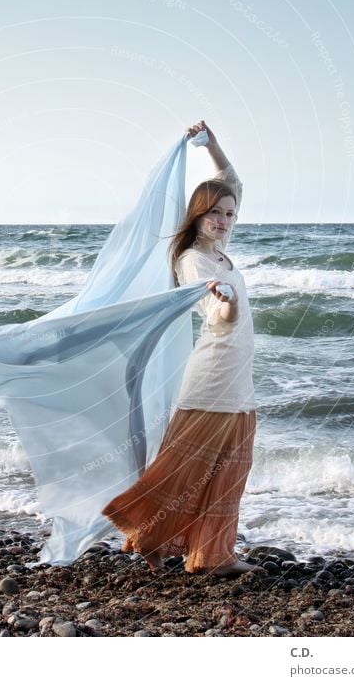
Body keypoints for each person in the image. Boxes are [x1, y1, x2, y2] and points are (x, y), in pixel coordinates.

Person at [101, 120, 265, 577]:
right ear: (197, 214)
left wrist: (211, 145)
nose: (224, 220)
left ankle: (207, 553)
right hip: (214, 378)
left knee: (229, 468)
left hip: (236, 377)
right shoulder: (194, 260)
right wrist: (226, 305)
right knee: (186, 470)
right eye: (215, 213)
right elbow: (217, 318)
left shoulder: (221, 250)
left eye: (229, 214)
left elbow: (232, 180)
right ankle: (156, 536)